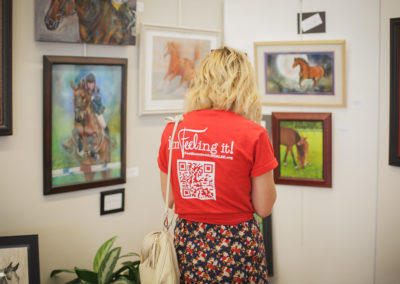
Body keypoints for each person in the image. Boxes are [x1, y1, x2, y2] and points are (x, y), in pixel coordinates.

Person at [157, 46, 278, 283]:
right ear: (244, 85)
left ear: (202, 80)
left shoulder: (174, 129)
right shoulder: (254, 133)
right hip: (237, 247)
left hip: (189, 245)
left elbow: (169, 199)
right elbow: (264, 208)